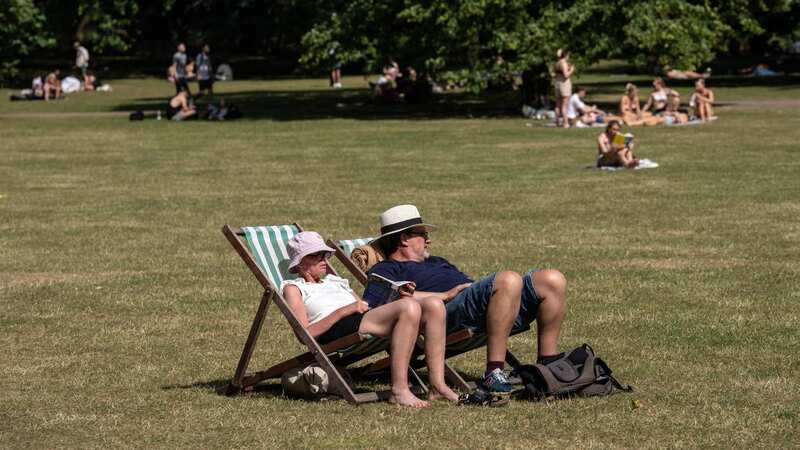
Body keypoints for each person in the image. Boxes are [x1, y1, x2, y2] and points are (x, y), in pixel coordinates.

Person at [362, 205, 568, 398]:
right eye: (423, 234)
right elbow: (380, 304)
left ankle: (547, 366)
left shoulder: (437, 261)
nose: (429, 240)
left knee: (551, 279)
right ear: (405, 238)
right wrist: (444, 296)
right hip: (445, 315)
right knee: (508, 279)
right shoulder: (387, 269)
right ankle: (493, 372)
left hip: (487, 304)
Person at [282, 231, 459, 407]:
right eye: (316, 256)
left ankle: (437, 385)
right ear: (299, 262)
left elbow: (363, 306)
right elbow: (303, 334)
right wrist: (344, 311)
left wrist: (394, 295)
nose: (324, 260)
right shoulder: (294, 288)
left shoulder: (335, 281)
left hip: (361, 319)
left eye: (325, 254)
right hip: (336, 329)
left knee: (433, 305)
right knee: (409, 307)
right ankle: (399, 390)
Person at [552, 49, 574, 128]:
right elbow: (566, 75)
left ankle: (557, 122)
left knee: (557, 105)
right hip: (564, 85)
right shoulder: (563, 63)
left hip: (557, 84)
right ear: (565, 55)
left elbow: (553, 74)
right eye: (568, 55)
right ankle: (565, 123)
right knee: (565, 105)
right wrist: (571, 70)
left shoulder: (556, 63)